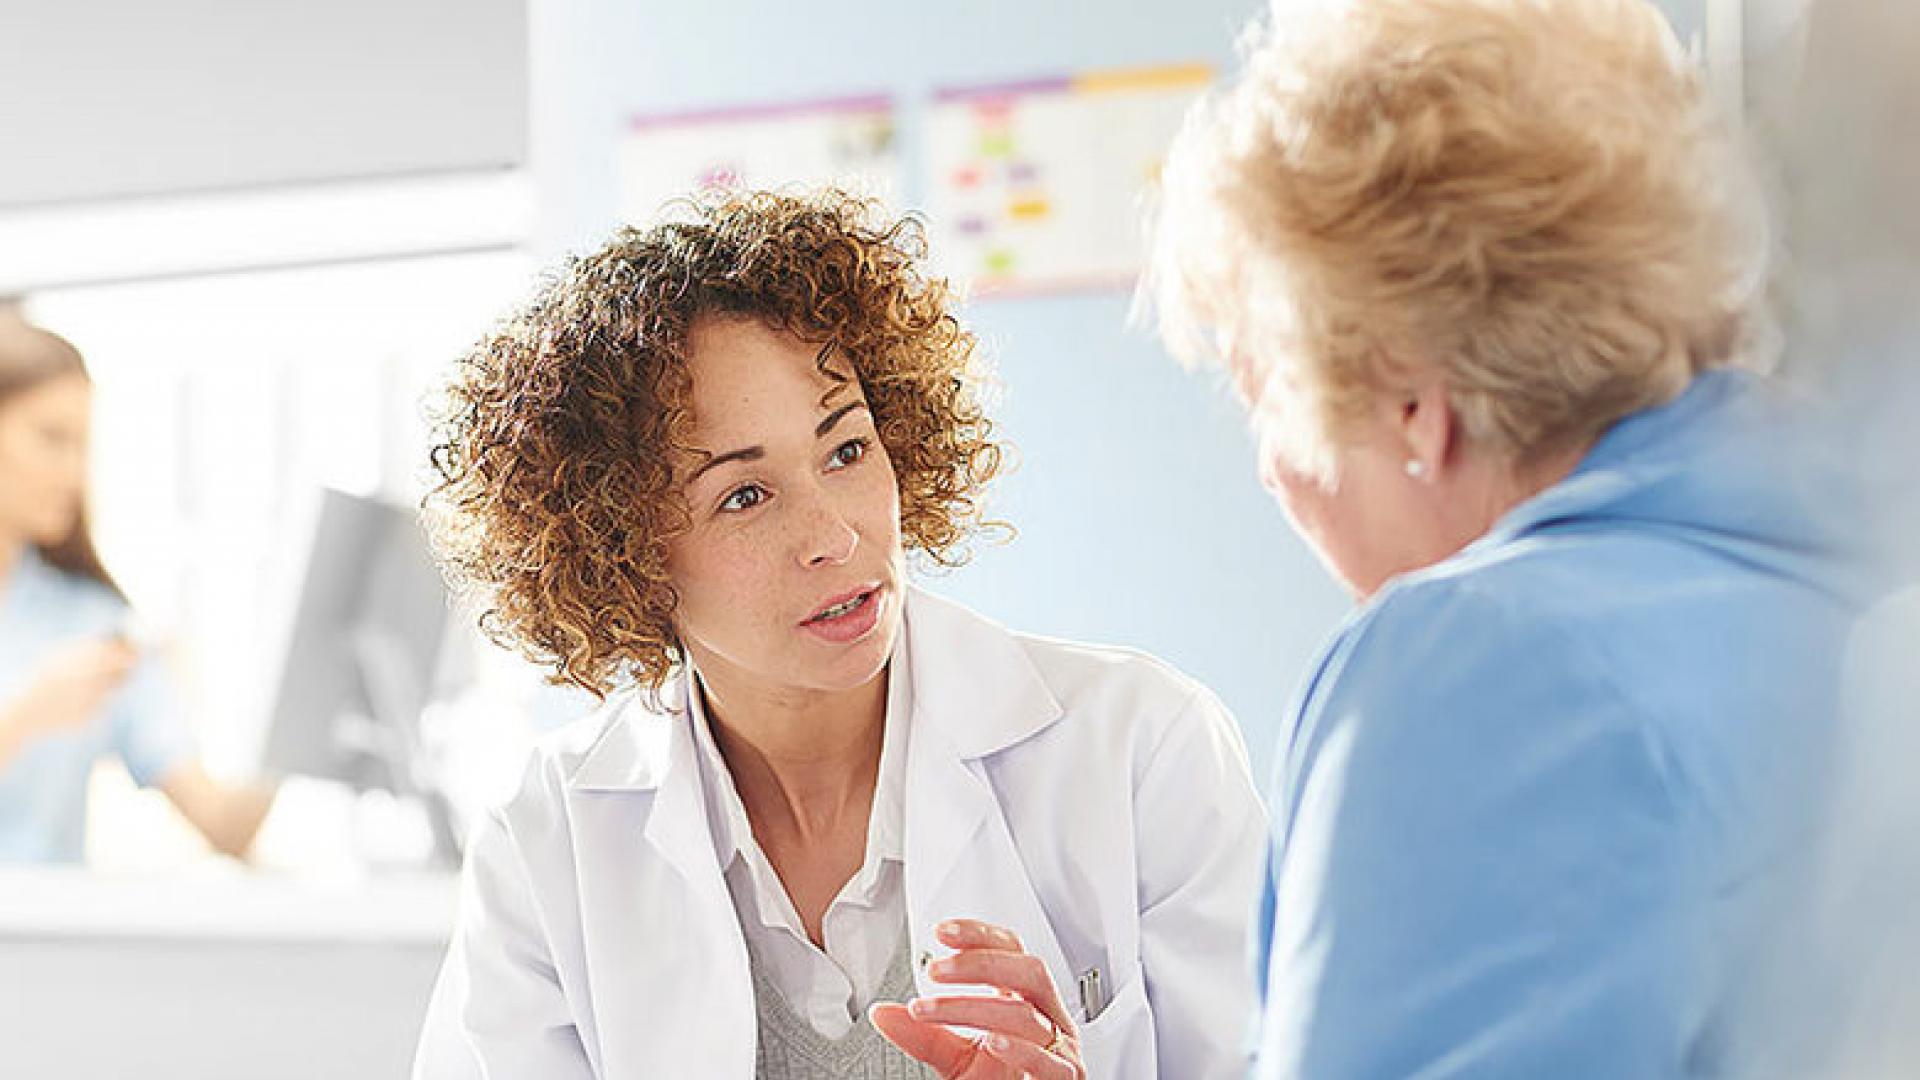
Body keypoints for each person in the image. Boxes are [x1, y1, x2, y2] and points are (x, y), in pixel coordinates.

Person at [1145, 0, 1875, 1074]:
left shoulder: (1483, 663)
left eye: (1269, 397)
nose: (1273, 470)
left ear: (1410, 409)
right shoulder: (1838, 572)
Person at [412, 189, 1267, 1079]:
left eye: (847, 450)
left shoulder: (1142, 749)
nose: (835, 537)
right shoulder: (550, 842)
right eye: (744, 496)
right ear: (619, 553)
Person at [0, 317, 275, 863]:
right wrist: (26, 717)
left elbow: (222, 825)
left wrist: (295, 715)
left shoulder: (95, 627)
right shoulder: (64, 670)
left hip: (47, 944)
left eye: (83, 445)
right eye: (51, 439)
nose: (74, 474)